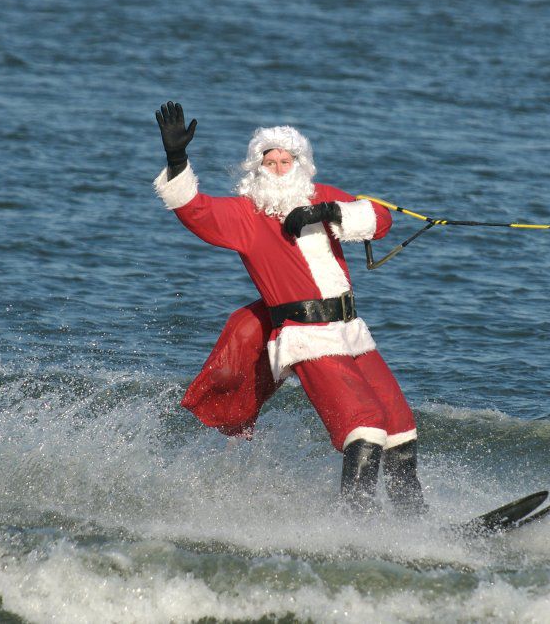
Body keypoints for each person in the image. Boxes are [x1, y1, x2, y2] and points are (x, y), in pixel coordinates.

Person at [153, 101, 426, 515]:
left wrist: (328, 212)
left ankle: (417, 522)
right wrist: (177, 158)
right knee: (365, 425)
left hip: (352, 332)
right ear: (255, 169)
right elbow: (194, 211)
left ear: (301, 164)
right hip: (306, 337)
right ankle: (359, 528)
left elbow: (380, 219)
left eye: (287, 159)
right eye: (270, 160)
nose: (279, 167)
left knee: (399, 425)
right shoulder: (246, 216)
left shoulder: (321, 198)